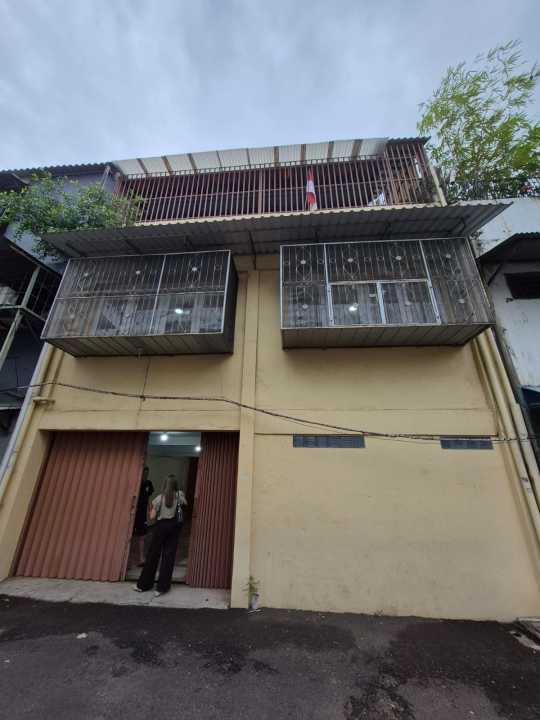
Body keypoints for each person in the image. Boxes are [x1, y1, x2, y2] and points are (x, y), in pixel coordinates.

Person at [134, 474, 187, 597]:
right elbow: (185, 504)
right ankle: (162, 588)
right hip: (174, 528)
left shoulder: (159, 498)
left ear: (165, 485)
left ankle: (144, 585)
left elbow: (152, 516)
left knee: (153, 555)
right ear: (175, 485)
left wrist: (152, 509)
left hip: (161, 527)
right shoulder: (180, 495)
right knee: (168, 557)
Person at [132, 466, 154, 566]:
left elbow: (148, 497)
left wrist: (150, 509)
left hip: (142, 513)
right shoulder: (136, 483)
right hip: (134, 512)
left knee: (143, 535)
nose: (145, 475)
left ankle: (141, 558)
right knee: (131, 535)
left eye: (147, 473)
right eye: (144, 473)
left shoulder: (149, 484)